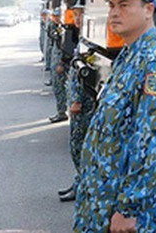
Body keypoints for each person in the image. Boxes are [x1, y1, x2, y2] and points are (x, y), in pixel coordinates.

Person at [73, 0, 156, 233]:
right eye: (112, 5)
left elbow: (151, 140)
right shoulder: (129, 54)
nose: (114, 12)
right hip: (101, 199)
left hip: (123, 211)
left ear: (148, 10)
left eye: (124, 5)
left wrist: (129, 208)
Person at [58, 57, 97, 202]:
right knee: (76, 147)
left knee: (80, 147)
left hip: (85, 105)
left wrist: (77, 99)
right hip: (80, 103)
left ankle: (83, 184)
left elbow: (86, 69)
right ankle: (79, 181)